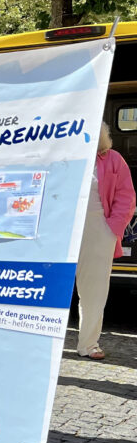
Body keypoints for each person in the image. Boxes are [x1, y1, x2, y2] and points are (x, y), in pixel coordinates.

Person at [75, 121, 135, 360]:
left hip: (98, 229)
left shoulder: (113, 159)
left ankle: (88, 344)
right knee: (51, 288)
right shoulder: (63, 156)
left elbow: (126, 196)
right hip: (62, 229)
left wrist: (113, 229)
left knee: (94, 291)